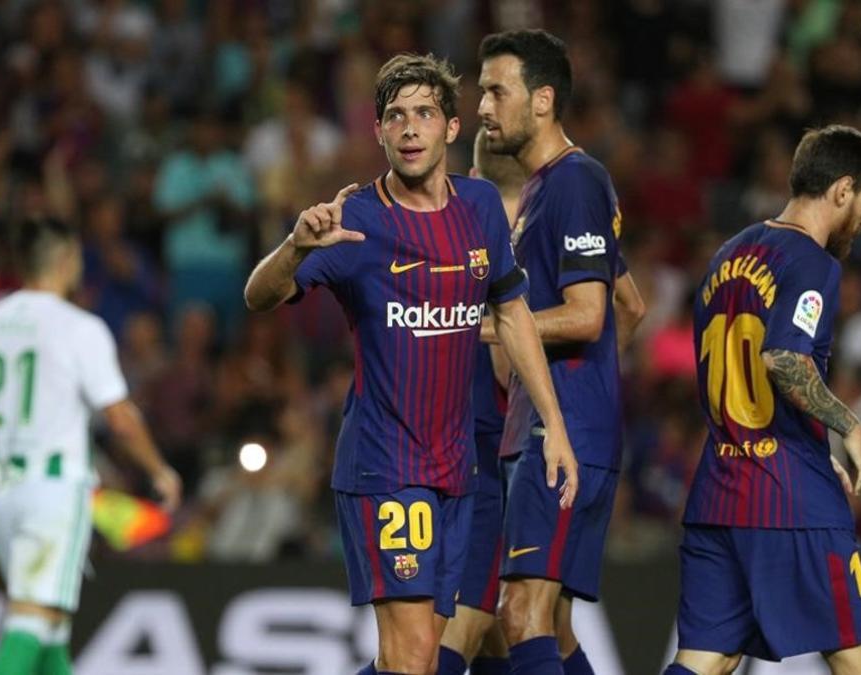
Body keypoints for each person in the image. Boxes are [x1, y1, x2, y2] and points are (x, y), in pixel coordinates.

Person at [242, 53, 578, 675]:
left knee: (422, 659)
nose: (409, 128)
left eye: (424, 113)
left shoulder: (478, 208)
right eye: (395, 116)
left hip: (456, 470)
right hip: (385, 465)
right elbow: (258, 296)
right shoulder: (356, 223)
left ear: (452, 129)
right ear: (378, 132)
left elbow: (511, 314)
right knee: (416, 653)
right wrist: (293, 246)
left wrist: (553, 425)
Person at [665, 125, 861, 675]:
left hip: (719, 494)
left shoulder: (727, 255)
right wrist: (850, 427)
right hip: (787, 500)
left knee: (705, 661)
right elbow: (783, 360)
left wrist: (818, 451)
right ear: (841, 190)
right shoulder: (813, 262)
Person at [437, 124, 645, 675]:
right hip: (556, 439)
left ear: (474, 178)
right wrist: (584, 388)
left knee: (472, 626)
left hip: (496, 453)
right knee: (541, 625)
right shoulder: (552, 220)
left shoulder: (476, 240)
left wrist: (539, 396)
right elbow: (630, 307)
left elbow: (511, 362)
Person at [0, 217, 181, 675]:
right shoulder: (79, 328)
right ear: (64, 260)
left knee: (52, 629)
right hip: (52, 492)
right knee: (32, 620)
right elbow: (120, 418)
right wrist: (160, 470)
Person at [476, 30, 632, 674]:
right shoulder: (545, 188)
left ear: (542, 100)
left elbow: (591, 314)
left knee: (518, 616)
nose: (483, 107)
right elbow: (633, 306)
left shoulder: (574, 182)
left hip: (560, 433)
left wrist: (479, 326)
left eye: (495, 91)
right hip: (547, 423)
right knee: (549, 626)